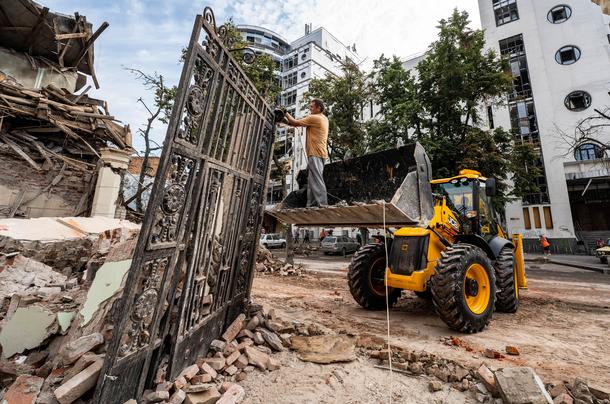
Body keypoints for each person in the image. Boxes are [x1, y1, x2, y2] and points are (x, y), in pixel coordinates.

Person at [283, 99, 329, 207]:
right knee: (312, 180)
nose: (310, 109)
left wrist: (285, 113)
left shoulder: (314, 118)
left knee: (316, 180)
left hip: (315, 153)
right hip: (321, 153)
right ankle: (311, 204)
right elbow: (295, 123)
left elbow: (294, 123)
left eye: (312, 107)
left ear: (319, 108)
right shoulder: (324, 118)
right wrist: (286, 121)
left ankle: (323, 204)